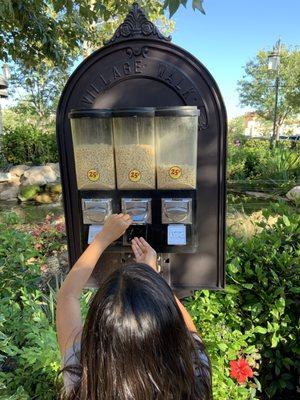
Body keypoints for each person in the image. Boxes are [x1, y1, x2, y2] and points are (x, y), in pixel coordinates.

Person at [56, 213, 212, 400]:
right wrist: (152, 274)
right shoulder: (195, 376)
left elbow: (67, 296)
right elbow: (188, 331)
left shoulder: (83, 380)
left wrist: (102, 238)